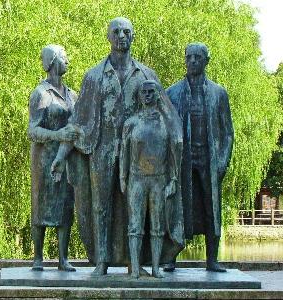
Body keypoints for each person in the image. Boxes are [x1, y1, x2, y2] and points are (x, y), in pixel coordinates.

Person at [52, 17, 182, 276]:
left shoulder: (147, 76)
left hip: (138, 154)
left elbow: (169, 117)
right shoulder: (94, 76)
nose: (122, 36)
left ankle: (135, 263)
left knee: (133, 208)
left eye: (127, 32)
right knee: (101, 205)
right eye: (116, 32)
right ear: (108, 37)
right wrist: (60, 156)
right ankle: (102, 261)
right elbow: (77, 123)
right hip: (102, 148)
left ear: (133, 37)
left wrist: (174, 155)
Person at [164, 42, 234, 272]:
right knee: (178, 206)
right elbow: (165, 129)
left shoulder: (218, 93)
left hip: (209, 159)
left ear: (206, 61)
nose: (193, 61)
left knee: (211, 207)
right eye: (189, 57)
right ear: (184, 60)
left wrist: (223, 161)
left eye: (197, 57)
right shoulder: (172, 93)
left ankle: (212, 260)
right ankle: (171, 255)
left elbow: (227, 133)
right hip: (182, 160)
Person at [120, 80, 184, 278]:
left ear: (158, 95)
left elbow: (174, 153)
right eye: (143, 92)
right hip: (136, 180)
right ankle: (135, 268)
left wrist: (173, 179)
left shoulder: (167, 122)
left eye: (151, 92)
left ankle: (156, 268)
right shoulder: (131, 123)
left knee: (157, 226)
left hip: (159, 180)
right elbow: (124, 152)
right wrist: (123, 176)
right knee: (135, 226)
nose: (147, 95)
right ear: (139, 96)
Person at [28, 44, 79, 272]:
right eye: (64, 58)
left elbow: (76, 126)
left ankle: (63, 259)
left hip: (65, 158)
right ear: (53, 62)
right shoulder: (41, 93)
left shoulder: (72, 95)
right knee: (41, 206)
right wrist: (57, 134)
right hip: (43, 159)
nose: (68, 61)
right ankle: (37, 258)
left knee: (65, 205)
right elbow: (32, 131)